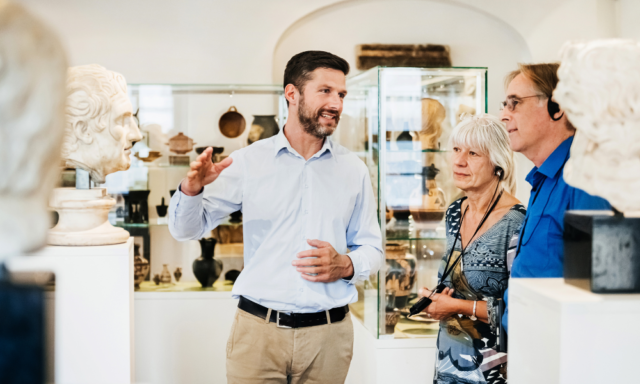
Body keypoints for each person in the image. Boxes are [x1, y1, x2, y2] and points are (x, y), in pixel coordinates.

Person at [168, 51, 383, 384]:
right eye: (325, 91)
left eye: (341, 94)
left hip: (328, 338)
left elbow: (373, 248)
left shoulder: (353, 169)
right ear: (292, 94)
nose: (337, 103)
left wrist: (347, 265)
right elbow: (186, 230)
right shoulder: (248, 162)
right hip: (257, 336)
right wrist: (191, 189)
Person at [499, 63, 610, 333]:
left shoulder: (584, 176)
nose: (504, 115)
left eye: (515, 104)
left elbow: (597, 288)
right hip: (532, 346)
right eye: (505, 104)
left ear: (556, 106)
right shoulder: (543, 178)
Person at [419, 114, 525, 384]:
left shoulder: (517, 222)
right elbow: (457, 279)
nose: (459, 161)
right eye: (456, 149)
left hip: (492, 369)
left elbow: (522, 308)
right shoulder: (456, 210)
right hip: (449, 359)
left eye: (473, 153)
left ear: (497, 164)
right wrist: (436, 299)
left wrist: (454, 305)